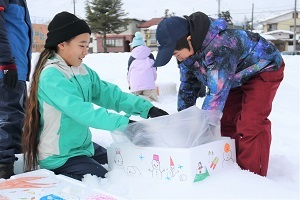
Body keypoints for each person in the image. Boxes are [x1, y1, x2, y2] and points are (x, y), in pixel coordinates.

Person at [22, 11, 168, 181]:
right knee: (108, 180)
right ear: (62, 44)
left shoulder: (82, 70)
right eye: (82, 45)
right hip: (60, 157)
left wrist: (147, 108)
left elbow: (111, 95)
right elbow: (83, 112)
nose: (86, 51)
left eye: (87, 45)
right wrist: (125, 124)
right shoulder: (51, 76)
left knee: (125, 164)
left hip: (83, 148)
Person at [154, 11, 284, 177]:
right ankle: (230, 165)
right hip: (234, 75)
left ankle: (252, 177)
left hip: (263, 68)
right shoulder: (187, 54)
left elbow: (216, 94)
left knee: (250, 123)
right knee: (226, 120)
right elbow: (188, 86)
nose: (178, 59)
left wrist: (202, 129)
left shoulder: (220, 46)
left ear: (188, 39)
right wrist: (184, 121)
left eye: (176, 54)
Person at [0, 0, 32, 179]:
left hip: (15, 67)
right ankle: (4, 171)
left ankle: (15, 168)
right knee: (8, 118)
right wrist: (6, 62)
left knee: (18, 118)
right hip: (8, 67)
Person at [127, 31, 158, 102]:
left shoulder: (132, 57)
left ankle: (140, 98)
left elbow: (129, 72)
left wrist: (130, 84)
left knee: (135, 103)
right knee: (154, 103)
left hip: (135, 86)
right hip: (149, 85)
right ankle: (145, 99)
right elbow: (154, 70)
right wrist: (153, 80)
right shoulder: (150, 55)